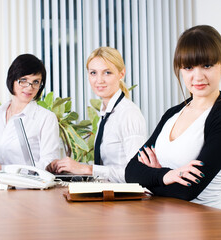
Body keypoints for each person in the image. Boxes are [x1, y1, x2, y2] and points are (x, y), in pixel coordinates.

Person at [125, 25, 221, 212]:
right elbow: (131, 171)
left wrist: (152, 178)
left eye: (207, 65)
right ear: (180, 70)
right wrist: (166, 176)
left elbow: (187, 190)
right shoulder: (172, 114)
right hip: (171, 219)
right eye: (188, 67)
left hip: (214, 223)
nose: (198, 76)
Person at [47, 47, 147, 182]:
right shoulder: (106, 114)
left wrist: (88, 169)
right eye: (93, 73)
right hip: (107, 195)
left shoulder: (128, 114)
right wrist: (71, 167)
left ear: (121, 74)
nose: (99, 80)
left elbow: (138, 174)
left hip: (125, 200)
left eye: (107, 72)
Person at [0, 54, 60, 171]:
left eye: (36, 82)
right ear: (12, 79)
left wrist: (3, 168)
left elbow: (48, 164)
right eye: (24, 80)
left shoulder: (46, 118)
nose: (30, 87)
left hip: (29, 187)